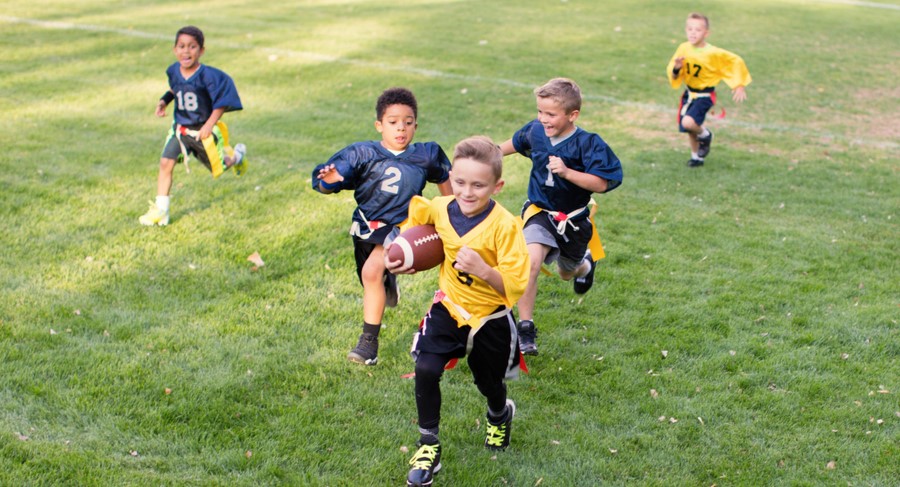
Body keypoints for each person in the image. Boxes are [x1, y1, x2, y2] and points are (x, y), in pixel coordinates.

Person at [386, 136, 530, 487]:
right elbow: (417, 219)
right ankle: (428, 446)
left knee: (488, 382)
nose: (467, 192)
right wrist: (404, 253)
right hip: (449, 306)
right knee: (426, 366)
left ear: (497, 186)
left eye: (478, 185)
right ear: (452, 177)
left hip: (490, 318)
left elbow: (517, 282)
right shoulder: (441, 206)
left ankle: (499, 414)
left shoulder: (505, 225)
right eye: (461, 182)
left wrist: (485, 270)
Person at [312, 87, 452, 366]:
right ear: (379, 125)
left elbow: (446, 188)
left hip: (403, 224)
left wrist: (455, 214)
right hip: (366, 227)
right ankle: (388, 281)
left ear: (416, 125)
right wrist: (328, 180)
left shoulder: (426, 154)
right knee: (368, 278)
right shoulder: (361, 153)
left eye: (408, 122)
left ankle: (368, 345)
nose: (401, 128)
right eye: (393, 122)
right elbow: (326, 185)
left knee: (371, 271)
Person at [499, 77, 623, 356]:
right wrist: (478, 158)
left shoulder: (588, 144)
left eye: (551, 114)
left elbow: (603, 184)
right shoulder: (535, 131)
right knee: (530, 262)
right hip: (540, 212)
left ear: (572, 115)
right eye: (540, 111)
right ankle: (525, 327)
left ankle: (585, 266)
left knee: (567, 272)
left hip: (574, 221)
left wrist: (567, 172)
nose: (543, 118)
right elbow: (502, 149)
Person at [140, 25, 248, 226]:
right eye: (181, 46)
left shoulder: (208, 76)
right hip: (180, 130)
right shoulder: (173, 70)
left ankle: (238, 156)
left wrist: (208, 125)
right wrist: (164, 101)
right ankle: (161, 211)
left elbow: (221, 102)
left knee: (221, 167)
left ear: (201, 51)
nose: (186, 51)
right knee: (165, 163)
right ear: (175, 50)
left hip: (202, 133)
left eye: (192, 47)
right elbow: (175, 89)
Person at [666, 12, 752, 167]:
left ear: (706, 33)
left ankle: (706, 135)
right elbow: (674, 73)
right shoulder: (683, 48)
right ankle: (696, 158)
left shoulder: (714, 53)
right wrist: (677, 68)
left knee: (688, 123)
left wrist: (739, 84)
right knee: (690, 129)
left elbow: (734, 62)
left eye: (697, 30)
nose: (693, 32)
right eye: (690, 29)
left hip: (704, 95)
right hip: (689, 93)